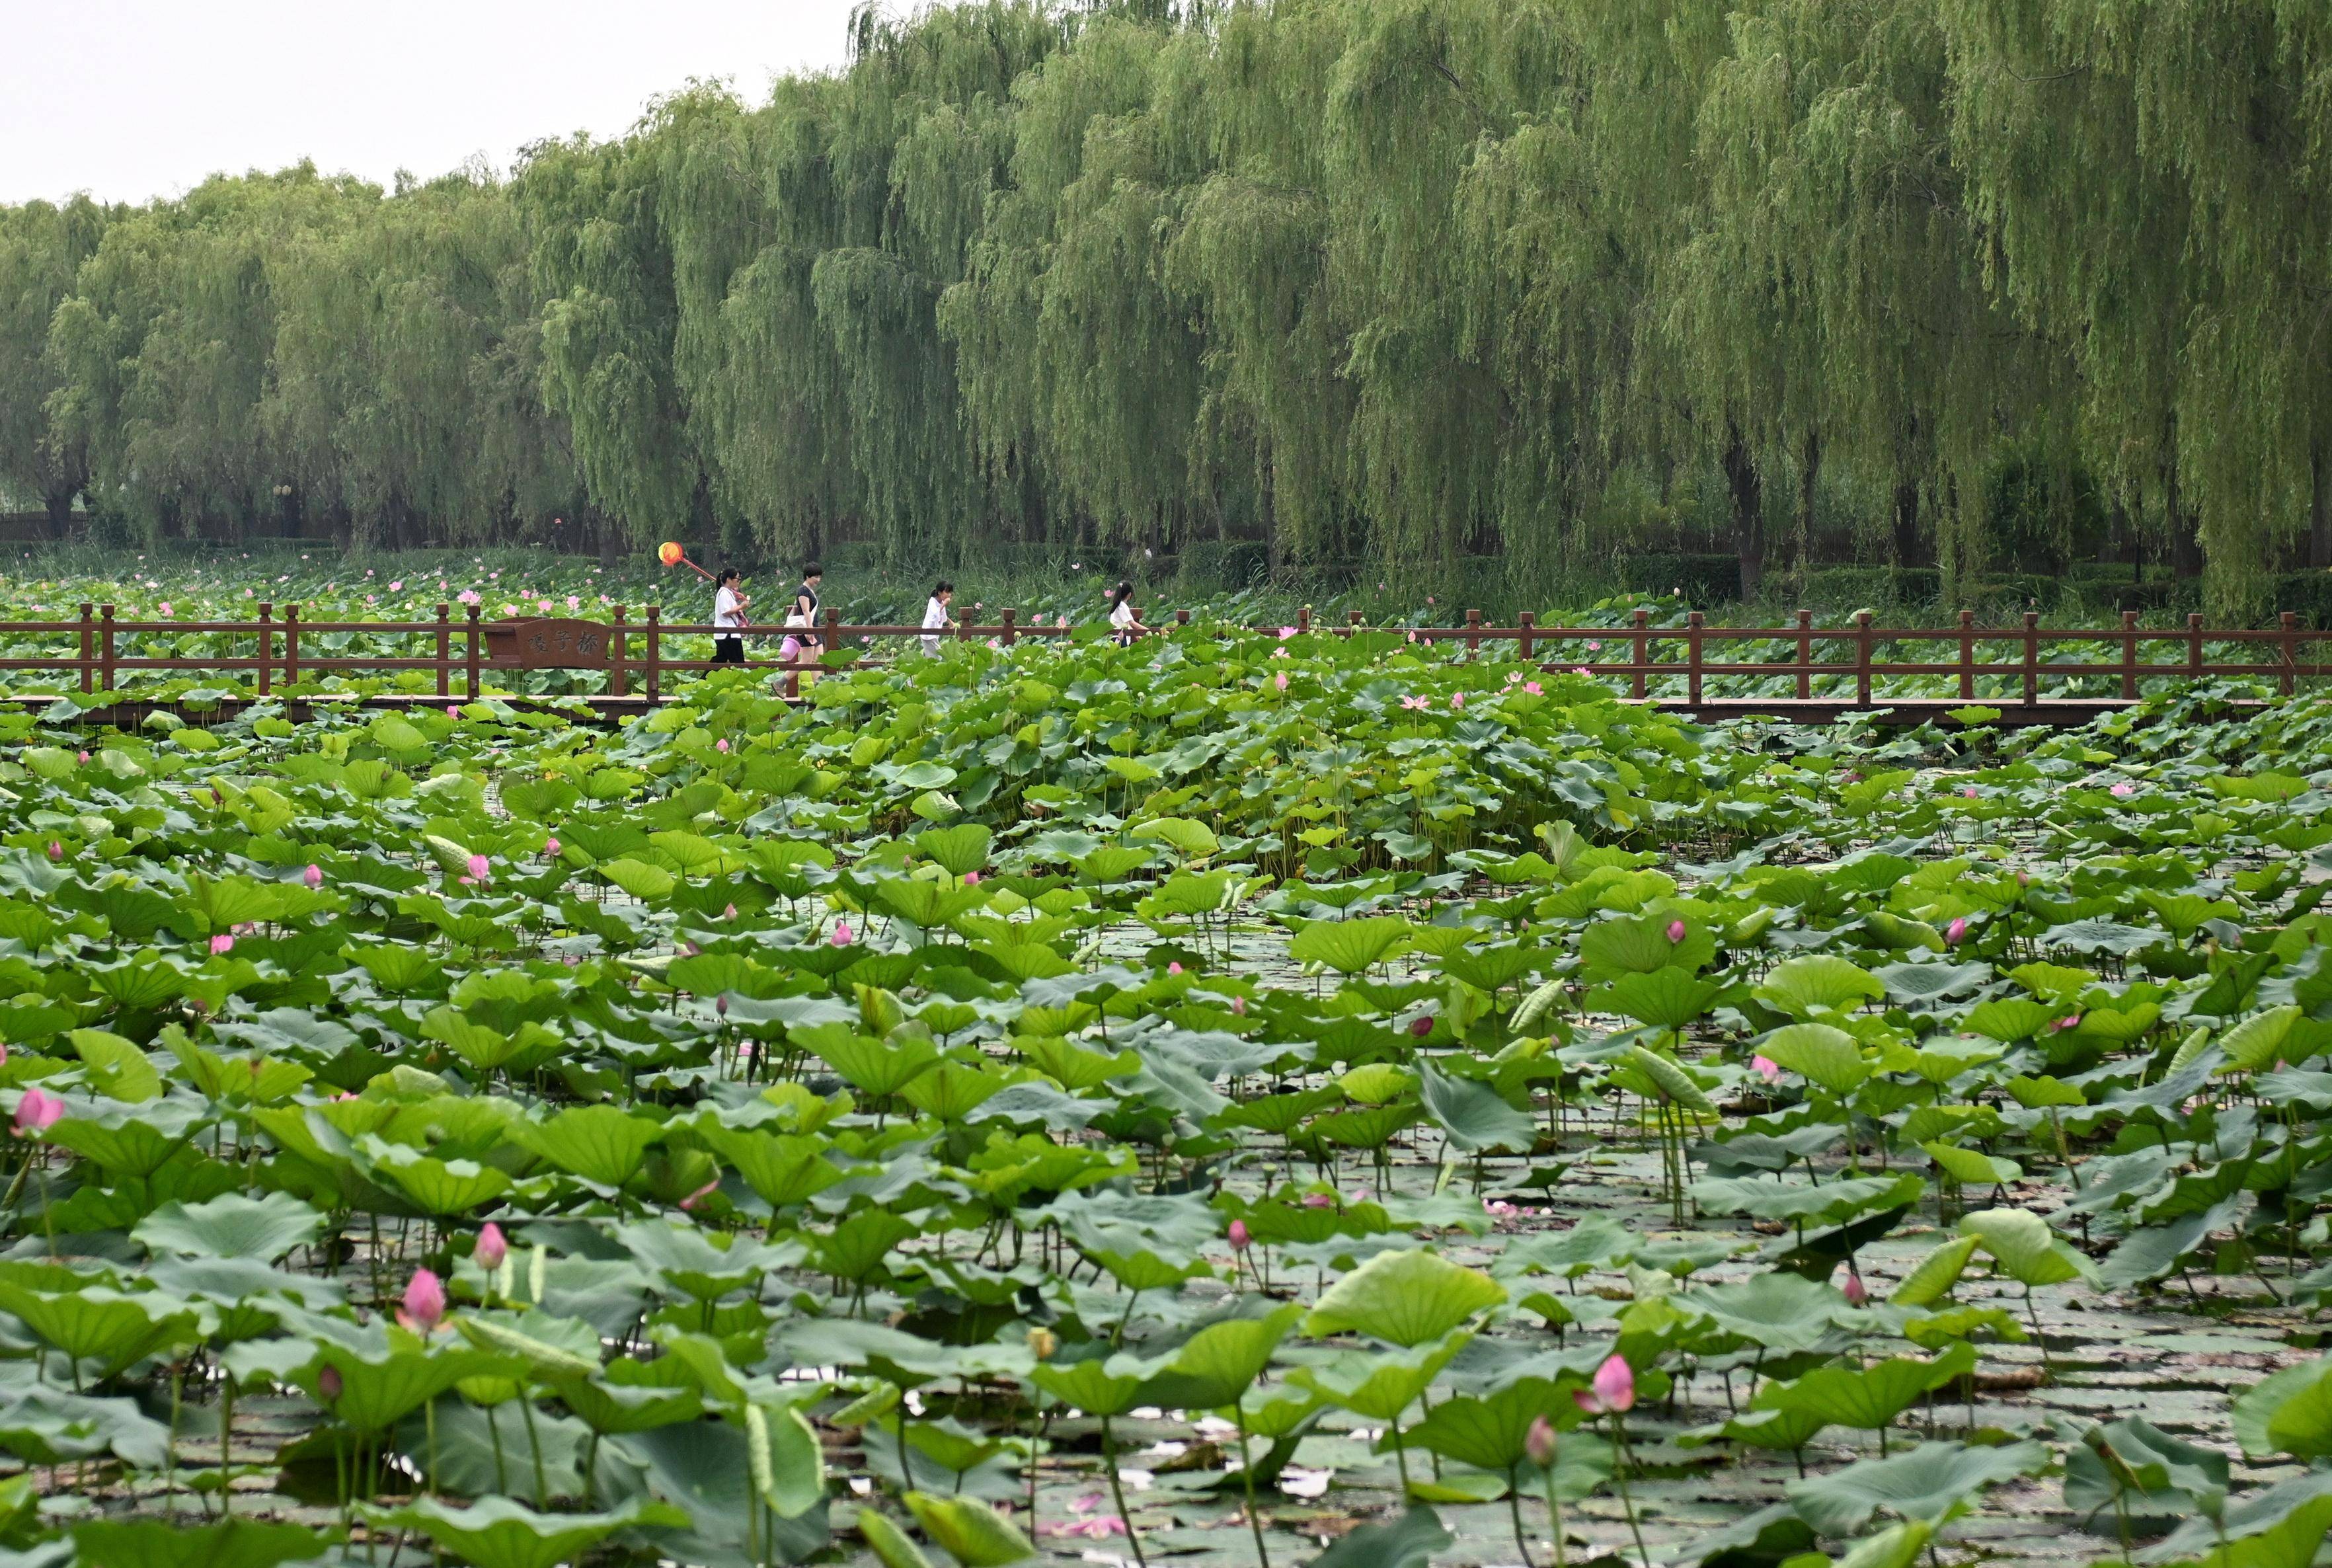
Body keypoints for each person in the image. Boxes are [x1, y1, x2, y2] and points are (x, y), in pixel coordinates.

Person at [711, 568, 748, 664]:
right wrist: (741, 606)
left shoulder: (726, 592)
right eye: (737, 579)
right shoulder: (724, 593)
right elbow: (726, 612)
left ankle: (704, 678)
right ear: (729, 579)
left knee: (719, 660)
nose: (739, 582)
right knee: (738, 662)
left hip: (726, 633)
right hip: (728, 633)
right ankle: (705, 678)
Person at [1107, 580, 1146, 645]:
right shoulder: (1122, 606)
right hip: (1119, 638)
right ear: (1129, 594)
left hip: (1115, 637)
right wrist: (1148, 631)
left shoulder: (1118, 605)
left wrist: (1137, 636)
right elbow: (1132, 623)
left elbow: (1127, 624)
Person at [921, 579, 954, 655]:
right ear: (939, 592)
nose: (949, 595)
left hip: (933, 634)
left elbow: (943, 616)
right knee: (938, 657)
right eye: (947, 592)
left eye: (950, 593)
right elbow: (935, 614)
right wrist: (944, 604)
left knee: (933, 657)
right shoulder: (932, 601)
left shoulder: (941, 602)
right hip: (928, 634)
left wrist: (951, 622)